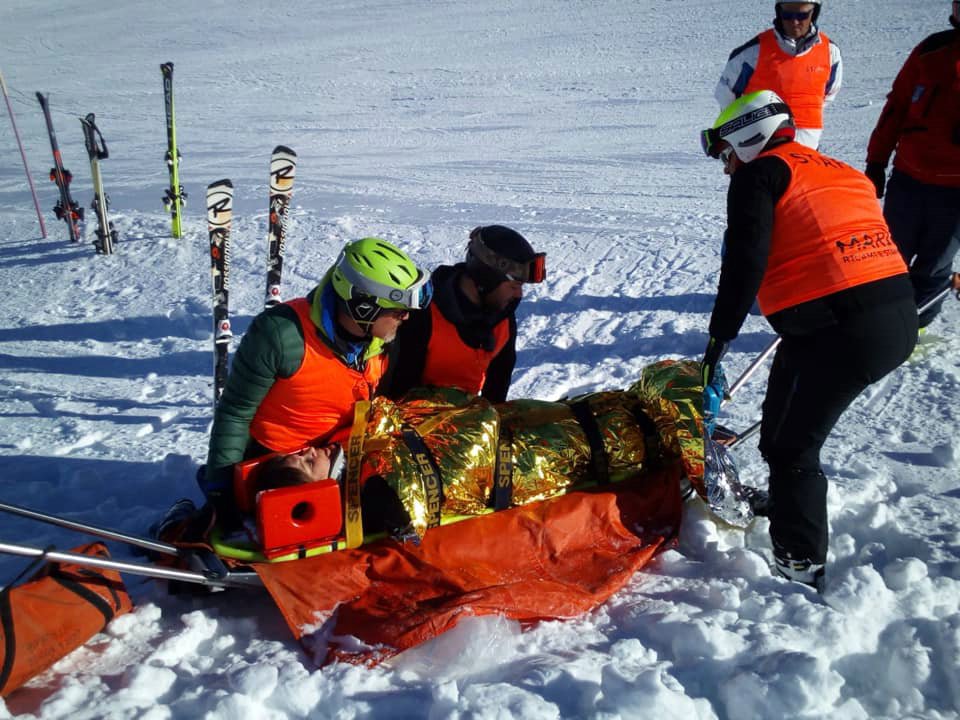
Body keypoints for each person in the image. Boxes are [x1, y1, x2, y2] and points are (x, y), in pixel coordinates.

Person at [699, 90, 918, 591]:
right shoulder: (839, 170)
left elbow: (744, 265)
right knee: (781, 428)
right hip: (888, 315)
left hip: (842, 329)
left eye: (727, 155)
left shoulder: (761, 174)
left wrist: (719, 341)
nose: (728, 169)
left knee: (793, 448)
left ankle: (799, 566)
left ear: (746, 140)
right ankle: (786, 507)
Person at [201, 237, 432, 526]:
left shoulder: (382, 339)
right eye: (396, 311)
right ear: (363, 307)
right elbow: (235, 412)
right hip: (286, 466)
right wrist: (222, 489)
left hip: (343, 450)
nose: (406, 318)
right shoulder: (282, 335)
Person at [865, 1, 960, 329]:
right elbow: (897, 106)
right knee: (889, 255)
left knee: (934, 266)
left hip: (955, 192)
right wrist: (876, 161)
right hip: (909, 178)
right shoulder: (932, 50)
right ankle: (880, 320)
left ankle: (913, 328)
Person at [381, 225, 545, 403]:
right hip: (415, 418)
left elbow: (497, 388)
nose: (519, 295)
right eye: (514, 286)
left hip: (468, 418)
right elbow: (397, 390)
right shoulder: (425, 313)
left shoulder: (502, 316)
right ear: (487, 278)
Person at [715, 1, 842, 149]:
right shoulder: (752, 53)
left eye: (802, 15)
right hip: (761, 146)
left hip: (808, 147)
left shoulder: (830, 52)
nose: (794, 22)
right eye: (787, 15)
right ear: (779, 12)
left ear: (814, 13)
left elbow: (829, 93)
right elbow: (726, 95)